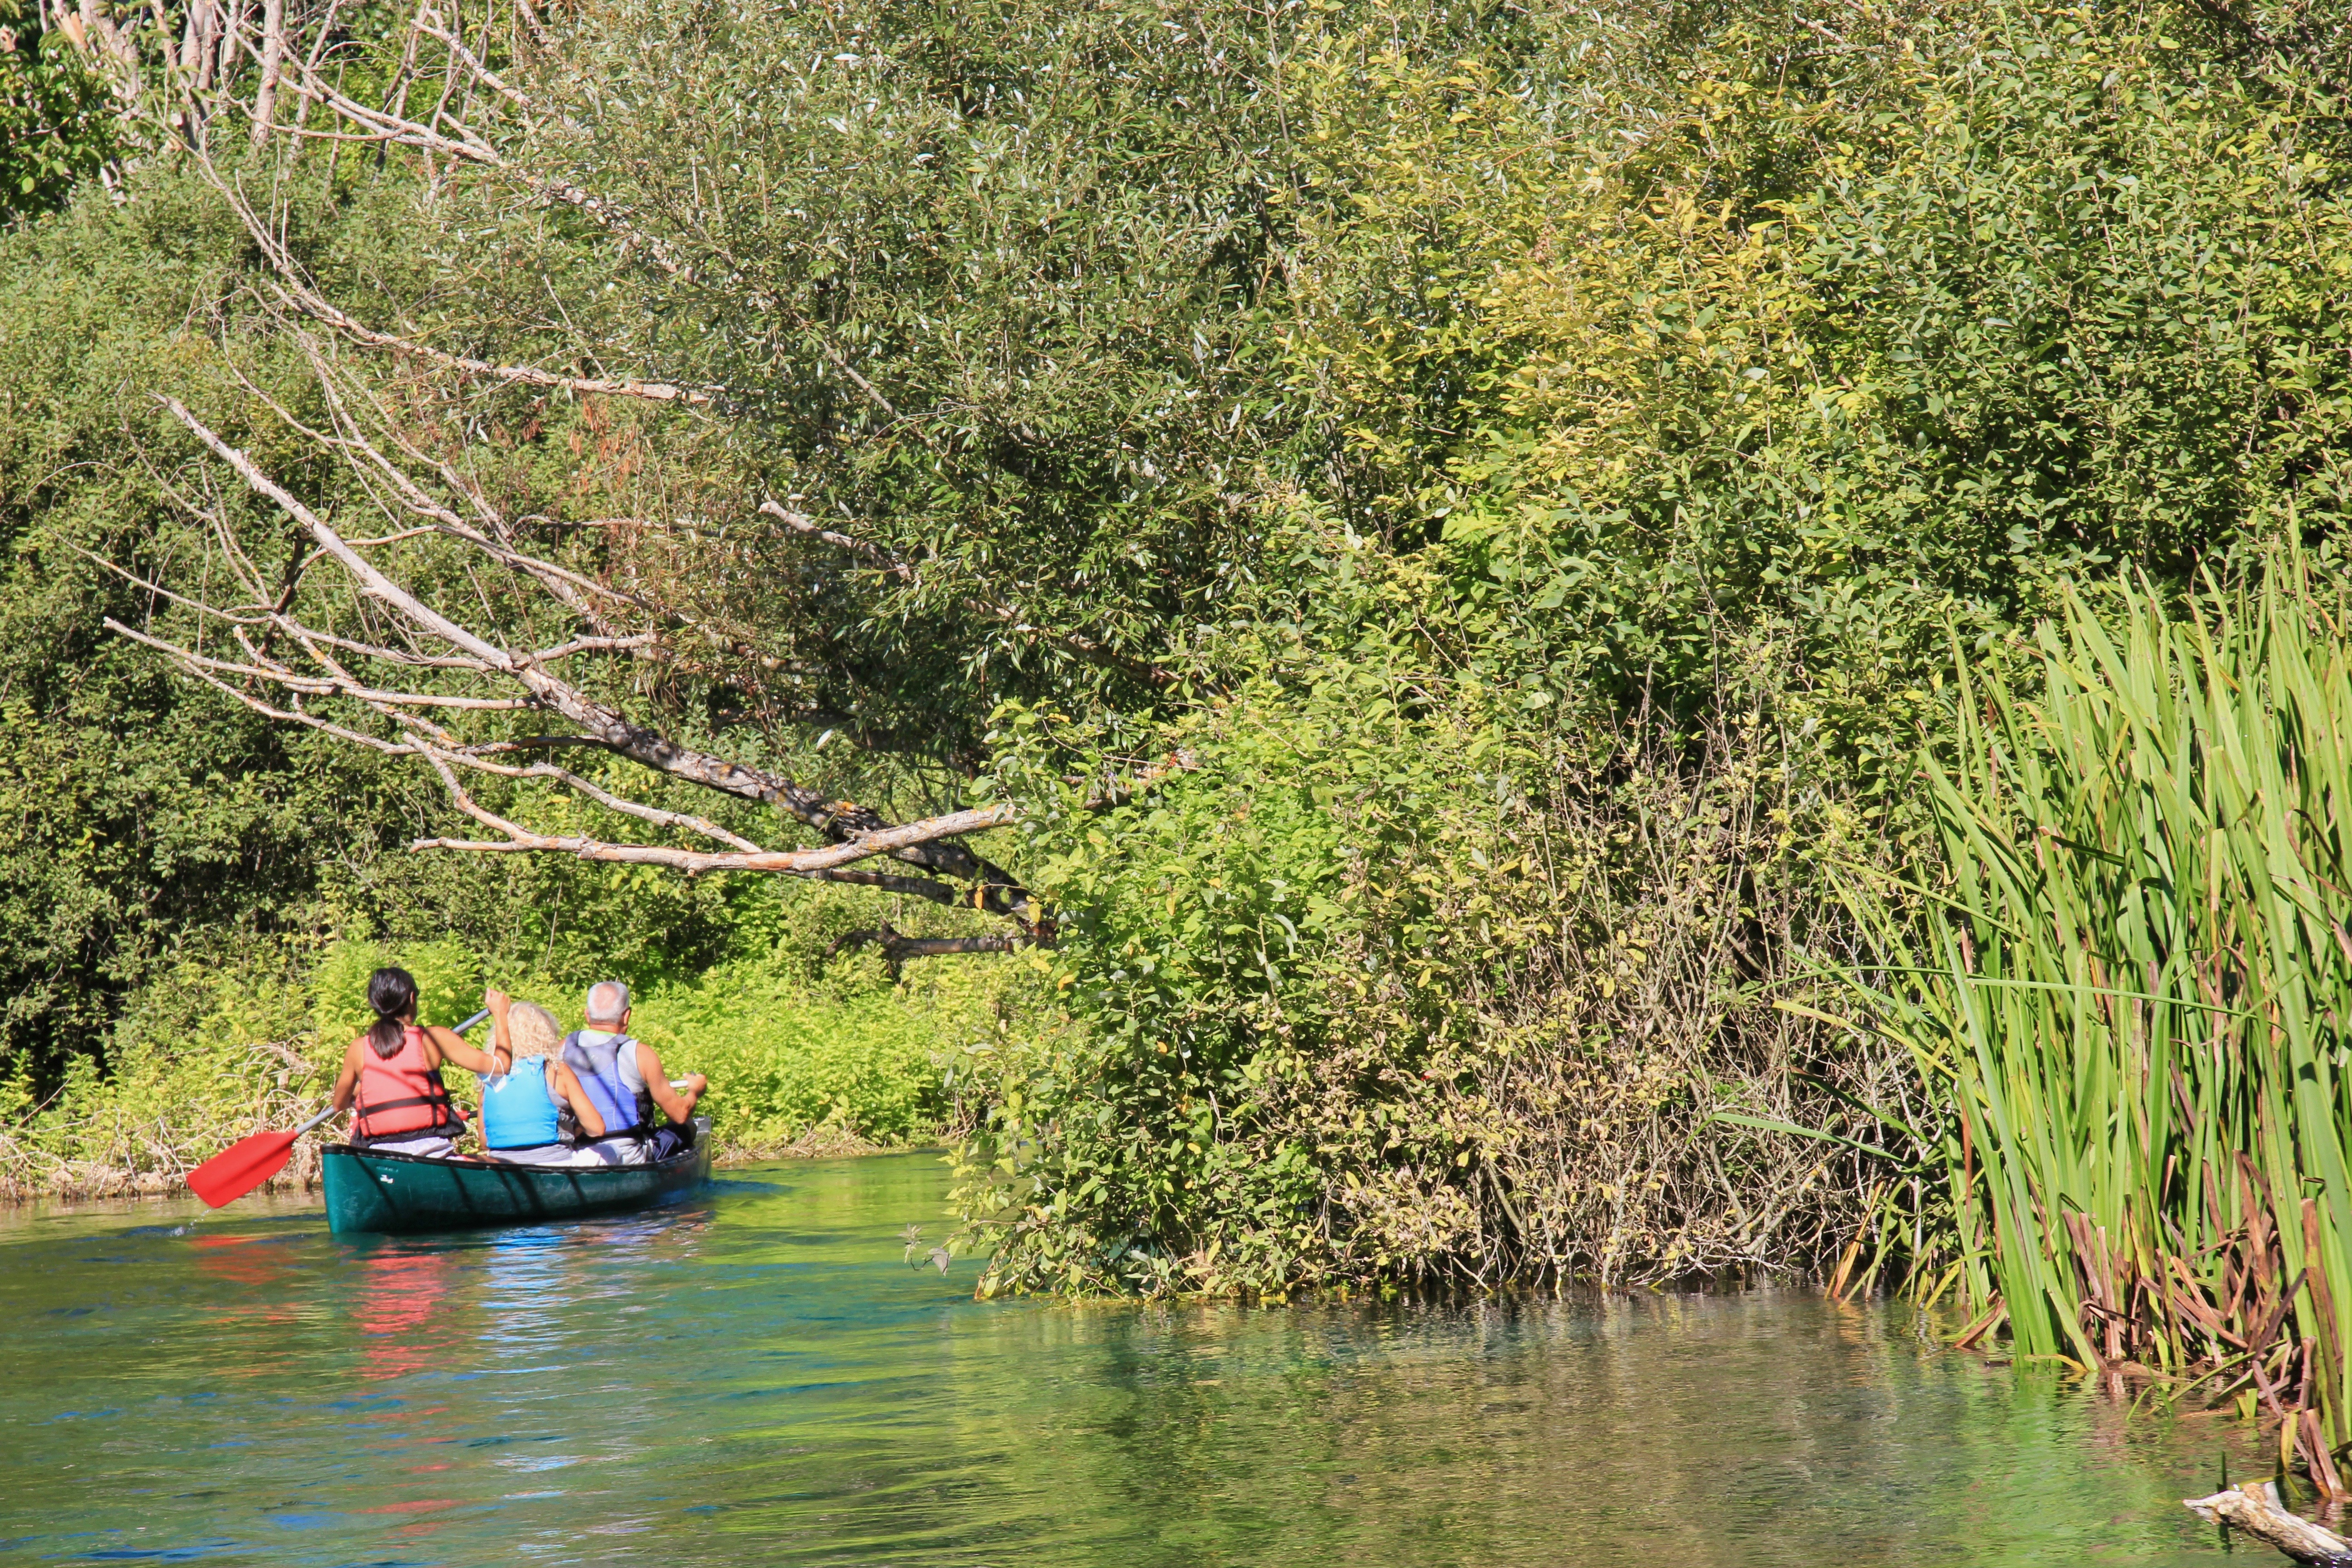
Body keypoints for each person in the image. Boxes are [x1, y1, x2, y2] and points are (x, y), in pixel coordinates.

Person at [331, 966, 507, 1157]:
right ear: (412, 998)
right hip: (432, 1152)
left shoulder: (358, 1048)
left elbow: (339, 1104)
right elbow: (501, 1067)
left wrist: (362, 1091)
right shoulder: (433, 1038)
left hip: (377, 1155)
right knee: (483, 1161)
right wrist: (500, 1014)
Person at [559, 980, 707, 1164]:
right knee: (686, 1127)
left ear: (587, 1015)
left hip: (577, 1153)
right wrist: (695, 1091)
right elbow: (679, 1114)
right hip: (628, 1155)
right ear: (626, 1015)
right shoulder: (640, 1053)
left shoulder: (561, 1048)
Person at [476, 989, 609, 1166]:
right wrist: (574, 1129)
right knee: (610, 1151)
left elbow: (485, 1141)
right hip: (554, 1163)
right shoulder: (556, 1071)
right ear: (547, 1034)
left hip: (503, 1166)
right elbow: (597, 1128)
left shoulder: (490, 1078)